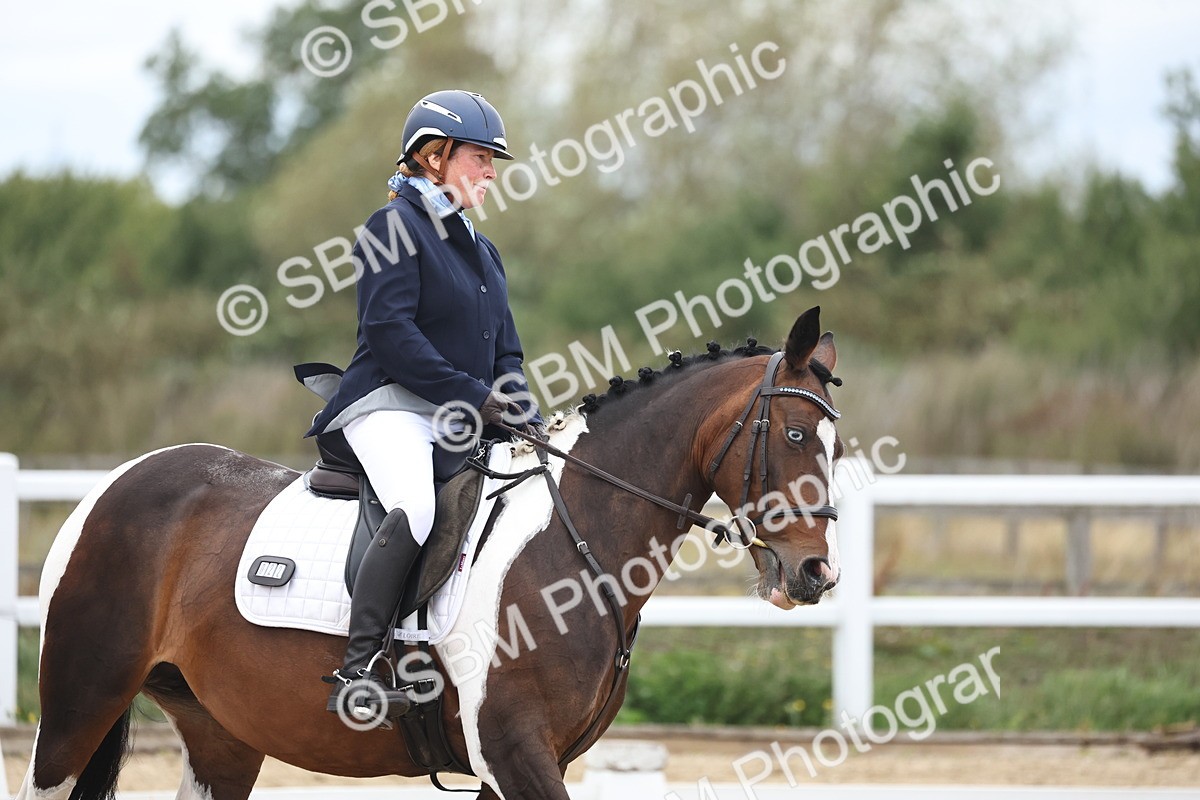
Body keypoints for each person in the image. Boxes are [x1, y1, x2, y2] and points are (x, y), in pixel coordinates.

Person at [298, 89, 542, 721]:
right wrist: (477, 396)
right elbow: (391, 335)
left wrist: (518, 404)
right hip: (389, 404)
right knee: (415, 504)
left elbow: (507, 353)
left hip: (459, 413)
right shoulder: (392, 228)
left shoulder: (483, 251)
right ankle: (360, 667)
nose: (492, 172)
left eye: (494, 160)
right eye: (482, 157)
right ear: (435, 157)